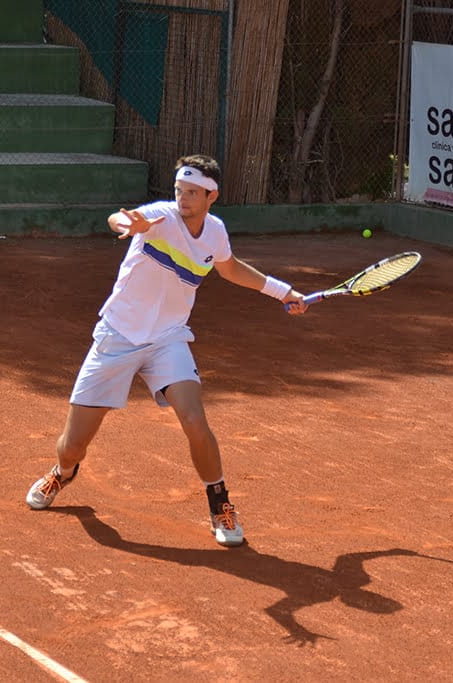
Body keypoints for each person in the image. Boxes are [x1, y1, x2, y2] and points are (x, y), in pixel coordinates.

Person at [26, 154, 306, 546]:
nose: (183, 198)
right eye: (179, 190)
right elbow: (118, 219)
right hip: (117, 336)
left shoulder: (215, 232)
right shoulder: (160, 216)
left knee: (194, 419)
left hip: (168, 339)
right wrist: (130, 224)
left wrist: (283, 292)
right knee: (73, 445)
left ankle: (220, 505)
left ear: (212, 196)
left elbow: (231, 268)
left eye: (192, 192)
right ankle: (63, 471)